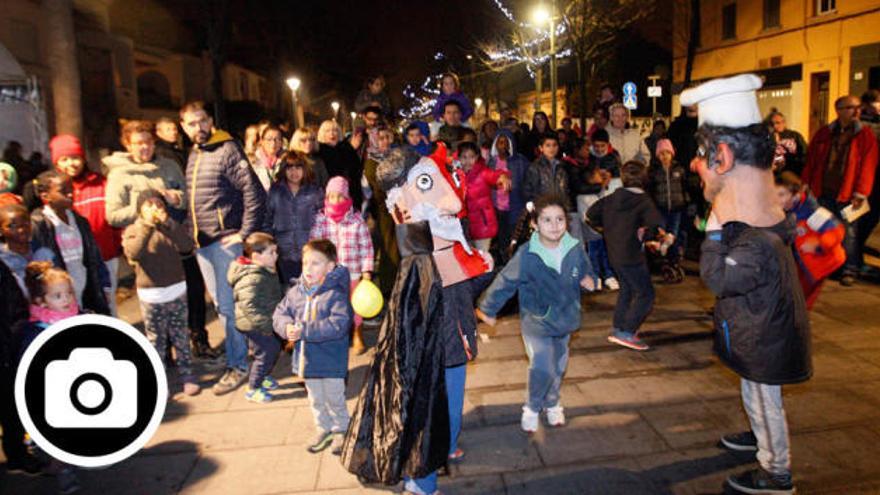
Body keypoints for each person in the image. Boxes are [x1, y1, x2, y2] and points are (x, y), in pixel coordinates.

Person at [683, 73, 810, 494]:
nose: (693, 165)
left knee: (764, 400)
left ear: (722, 155)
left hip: (764, 339)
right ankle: (760, 439)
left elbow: (718, 278)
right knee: (757, 396)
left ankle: (776, 471)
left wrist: (714, 232)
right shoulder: (762, 217)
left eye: (700, 153)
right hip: (757, 332)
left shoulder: (751, 236)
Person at [342, 148, 494, 494]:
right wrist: (482, 270)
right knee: (437, 406)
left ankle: (443, 450)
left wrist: (478, 265)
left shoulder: (427, 241)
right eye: (428, 181)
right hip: (445, 347)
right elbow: (457, 293)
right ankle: (422, 478)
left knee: (439, 403)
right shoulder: (431, 248)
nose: (445, 187)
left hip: (447, 341)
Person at [477, 194, 596, 432]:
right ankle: (532, 407)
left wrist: (589, 279)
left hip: (566, 319)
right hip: (536, 322)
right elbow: (505, 281)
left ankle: (552, 402)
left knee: (559, 366)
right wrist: (487, 308)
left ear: (567, 222)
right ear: (534, 224)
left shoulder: (574, 248)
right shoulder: (527, 254)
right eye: (547, 220)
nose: (554, 226)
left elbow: (586, 269)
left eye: (560, 220)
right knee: (543, 366)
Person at [179, 100, 268, 395]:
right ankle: (239, 352)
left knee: (229, 308)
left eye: (202, 120)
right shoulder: (194, 153)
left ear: (210, 120)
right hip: (203, 245)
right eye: (191, 123)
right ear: (184, 127)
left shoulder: (226, 148)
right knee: (221, 306)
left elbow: (252, 190)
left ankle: (239, 364)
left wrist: (244, 233)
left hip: (225, 241)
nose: (198, 127)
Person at [274, 239, 352, 454]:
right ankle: (323, 428)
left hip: (331, 361)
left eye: (315, 263)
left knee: (335, 397)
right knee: (315, 398)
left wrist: (304, 330)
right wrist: (286, 327)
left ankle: (341, 429)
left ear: (330, 267)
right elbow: (279, 314)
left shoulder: (335, 294)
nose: (308, 268)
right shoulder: (296, 292)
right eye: (305, 263)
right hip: (306, 361)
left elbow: (339, 325)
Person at [122, 191, 200, 396]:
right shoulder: (133, 230)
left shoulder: (170, 227)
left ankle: (187, 373)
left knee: (180, 335)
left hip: (176, 289)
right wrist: (147, 226)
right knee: (156, 339)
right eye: (149, 205)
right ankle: (159, 378)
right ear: (140, 210)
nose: (155, 209)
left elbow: (186, 246)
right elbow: (134, 252)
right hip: (151, 294)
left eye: (159, 205)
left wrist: (170, 225)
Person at [588, 161, 671, 352]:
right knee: (645, 294)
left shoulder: (611, 198)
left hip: (614, 253)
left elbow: (590, 215)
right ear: (644, 178)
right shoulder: (644, 201)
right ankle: (627, 331)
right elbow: (656, 226)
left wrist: (606, 230)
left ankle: (618, 327)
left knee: (626, 289)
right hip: (632, 254)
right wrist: (650, 236)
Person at [15, 261, 80, 492]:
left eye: (69, 293)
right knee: (55, 439)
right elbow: (28, 365)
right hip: (50, 394)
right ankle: (63, 472)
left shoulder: (78, 318)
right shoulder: (36, 330)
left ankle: (68, 460)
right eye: (58, 296)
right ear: (41, 301)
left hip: (76, 388)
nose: (66, 300)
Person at [802, 95, 878, 286]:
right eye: (851, 107)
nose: (856, 111)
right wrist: (806, 185)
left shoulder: (865, 135)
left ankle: (849, 269)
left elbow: (868, 166)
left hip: (848, 194)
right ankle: (831, 266)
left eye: (857, 107)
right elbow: (812, 162)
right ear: (839, 110)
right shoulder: (824, 133)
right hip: (824, 191)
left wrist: (861, 193)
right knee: (825, 231)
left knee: (850, 233)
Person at [50, 134, 121, 315]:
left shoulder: (101, 184)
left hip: (105, 256)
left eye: (75, 158)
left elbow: (114, 218)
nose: (71, 164)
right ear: (56, 162)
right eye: (64, 159)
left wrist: (117, 245)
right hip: (71, 260)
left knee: (107, 302)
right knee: (73, 305)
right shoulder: (53, 192)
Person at [30, 171, 110, 315]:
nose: (70, 194)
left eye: (71, 190)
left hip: (86, 291)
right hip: (60, 299)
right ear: (45, 196)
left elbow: (94, 256)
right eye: (63, 191)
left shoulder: (80, 221)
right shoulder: (39, 225)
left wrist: (104, 285)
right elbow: (39, 267)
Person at [309, 176, 373, 354]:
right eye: (331, 196)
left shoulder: (357, 220)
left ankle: (357, 333)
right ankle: (333, 336)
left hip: (352, 272)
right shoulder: (320, 220)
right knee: (330, 305)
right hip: (329, 274)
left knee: (355, 305)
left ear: (346, 198)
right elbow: (314, 245)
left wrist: (366, 272)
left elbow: (367, 247)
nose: (335, 200)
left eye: (339, 196)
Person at [0, 250, 44, 476]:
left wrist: (11, 342)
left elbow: (16, 307)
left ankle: (17, 455)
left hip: (5, 354)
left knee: (11, 408)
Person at [228, 232, 284, 404]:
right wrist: (267, 326)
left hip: (260, 321)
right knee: (267, 353)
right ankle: (253, 388)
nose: (276, 256)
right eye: (271, 253)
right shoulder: (252, 277)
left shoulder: (263, 269)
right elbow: (249, 306)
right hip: (255, 325)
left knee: (264, 352)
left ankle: (262, 377)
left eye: (276, 251)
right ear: (256, 256)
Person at [775, 172, 845, 309]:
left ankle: (796, 325)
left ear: (795, 196)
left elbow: (837, 231)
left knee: (799, 301)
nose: (777, 199)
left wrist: (819, 245)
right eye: (775, 194)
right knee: (793, 297)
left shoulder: (812, 212)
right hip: (804, 262)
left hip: (818, 264)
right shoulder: (791, 211)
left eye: (782, 195)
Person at [268, 152, 323, 284]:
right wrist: (270, 245)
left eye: (298, 168)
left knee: (310, 291)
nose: (294, 172)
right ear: (283, 170)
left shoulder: (314, 191)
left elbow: (322, 219)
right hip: (283, 251)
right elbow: (267, 218)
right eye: (289, 168)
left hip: (309, 251)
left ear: (305, 169)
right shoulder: (275, 190)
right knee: (288, 292)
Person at [363, 127, 401, 296]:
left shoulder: (396, 157)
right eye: (380, 138)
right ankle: (389, 287)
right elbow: (377, 187)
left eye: (387, 137)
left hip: (399, 208)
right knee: (388, 249)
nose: (385, 141)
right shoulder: (372, 161)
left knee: (399, 247)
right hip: (383, 212)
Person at [647, 138, 688, 281]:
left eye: (667, 153)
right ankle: (662, 260)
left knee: (674, 235)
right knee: (662, 235)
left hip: (676, 208)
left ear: (672, 154)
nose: (665, 156)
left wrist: (687, 203)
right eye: (661, 153)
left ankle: (674, 260)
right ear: (657, 156)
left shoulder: (679, 170)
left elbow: (685, 187)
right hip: (661, 208)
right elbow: (650, 191)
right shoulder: (654, 172)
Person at [459, 142, 511, 252]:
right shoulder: (457, 175)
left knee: (483, 258)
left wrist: (502, 177)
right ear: (458, 158)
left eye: (471, 157)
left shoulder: (482, 172)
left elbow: (495, 174)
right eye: (464, 157)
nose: (467, 161)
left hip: (483, 225)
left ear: (477, 157)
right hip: (464, 226)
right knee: (469, 260)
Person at [488, 129, 529, 262]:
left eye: (506, 142)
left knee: (516, 238)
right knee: (502, 238)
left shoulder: (520, 161)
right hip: (497, 207)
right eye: (500, 142)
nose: (503, 146)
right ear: (495, 144)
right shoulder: (492, 162)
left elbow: (527, 182)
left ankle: (516, 263)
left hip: (515, 206)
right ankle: (505, 263)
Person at [0, 204, 56, 296]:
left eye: (25, 223)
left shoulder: (45, 254)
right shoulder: (3, 261)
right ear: (1, 230)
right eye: (12, 225)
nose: (21, 229)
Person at [317, 120, 364, 208]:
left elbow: (357, 168)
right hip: (330, 195)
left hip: (350, 192)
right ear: (322, 133)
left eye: (335, 130)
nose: (332, 133)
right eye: (328, 131)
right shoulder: (319, 151)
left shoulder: (346, 147)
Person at [524, 134, 571, 210]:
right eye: (548, 145)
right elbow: (529, 192)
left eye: (554, 145)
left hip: (560, 207)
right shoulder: (535, 167)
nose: (551, 148)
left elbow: (566, 190)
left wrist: (566, 207)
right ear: (541, 148)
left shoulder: (562, 167)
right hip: (542, 208)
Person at [251, 125, 286, 192]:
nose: (273, 143)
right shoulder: (253, 160)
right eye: (269, 139)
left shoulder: (287, 160)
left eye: (277, 139)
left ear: (282, 142)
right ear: (262, 141)